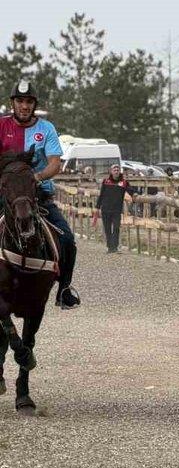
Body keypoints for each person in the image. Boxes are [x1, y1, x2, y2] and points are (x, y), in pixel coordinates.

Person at [0, 80, 80, 309]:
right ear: (12, 103)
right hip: (6, 196)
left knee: (67, 240)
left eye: (28, 102)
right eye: (20, 101)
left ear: (34, 105)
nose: (24, 106)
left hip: (38, 195)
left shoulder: (46, 129)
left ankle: (64, 289)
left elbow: (55, 164)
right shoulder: (1, 126)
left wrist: (35, 178)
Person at [94, 164, 133, 253]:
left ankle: (115, 247)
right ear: (111, 171)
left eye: (117, 170)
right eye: (114, 170)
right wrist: (97, 207)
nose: (116, 171)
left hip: (117, 209)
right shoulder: (106, 181)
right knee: (107, 229)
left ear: (119, 172)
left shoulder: (124, 182)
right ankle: (110, 247)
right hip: (106, 209)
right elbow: (101, 195)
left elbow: (131, 190)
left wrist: (134, 194)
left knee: (116, 228)